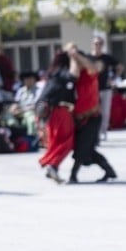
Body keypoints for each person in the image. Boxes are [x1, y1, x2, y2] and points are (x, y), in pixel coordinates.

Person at [68, 47, 117, 183]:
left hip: (92, 118)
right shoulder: (74, 78)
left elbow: (93, 67)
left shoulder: (89, 74)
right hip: (79, 119)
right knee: (85, 150)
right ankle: (109, 171)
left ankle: (73, 176)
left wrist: (76, 55)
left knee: (82, 149)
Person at [37, 48, 79, 183]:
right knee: (66, 142)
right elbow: (73, 76)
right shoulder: (63, 72)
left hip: (50, 113)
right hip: (60, 111)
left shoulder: (53, 73)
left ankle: (53, 166)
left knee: (56, 142)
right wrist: (74, 57)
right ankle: (52, 165)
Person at [91, 35, 119, 141]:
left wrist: (113, 79)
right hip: (93, 89)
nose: (97, 46)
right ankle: (95, 132)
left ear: (102, 45)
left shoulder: (107, 58)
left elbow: (119, 67)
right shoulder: (89, 57)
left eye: (99, 44)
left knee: (105, 112)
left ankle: (103, 132)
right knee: (94, 111)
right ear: (92, 45)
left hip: (106, 88)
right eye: (95, 43)